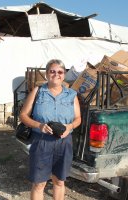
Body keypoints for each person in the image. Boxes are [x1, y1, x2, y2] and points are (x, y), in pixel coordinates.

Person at [19, 59, 81, 200]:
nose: (56, 74)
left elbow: (78, 119)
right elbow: (23, 115)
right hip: (41, 142)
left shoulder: (71, 95)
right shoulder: (38, 91)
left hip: (64, 142)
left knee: (59, 181)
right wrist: (39, 125)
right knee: (39, 184)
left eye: (60, 72)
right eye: (52, 71)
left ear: (64, 74)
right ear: (46, 74)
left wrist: (69, 127)